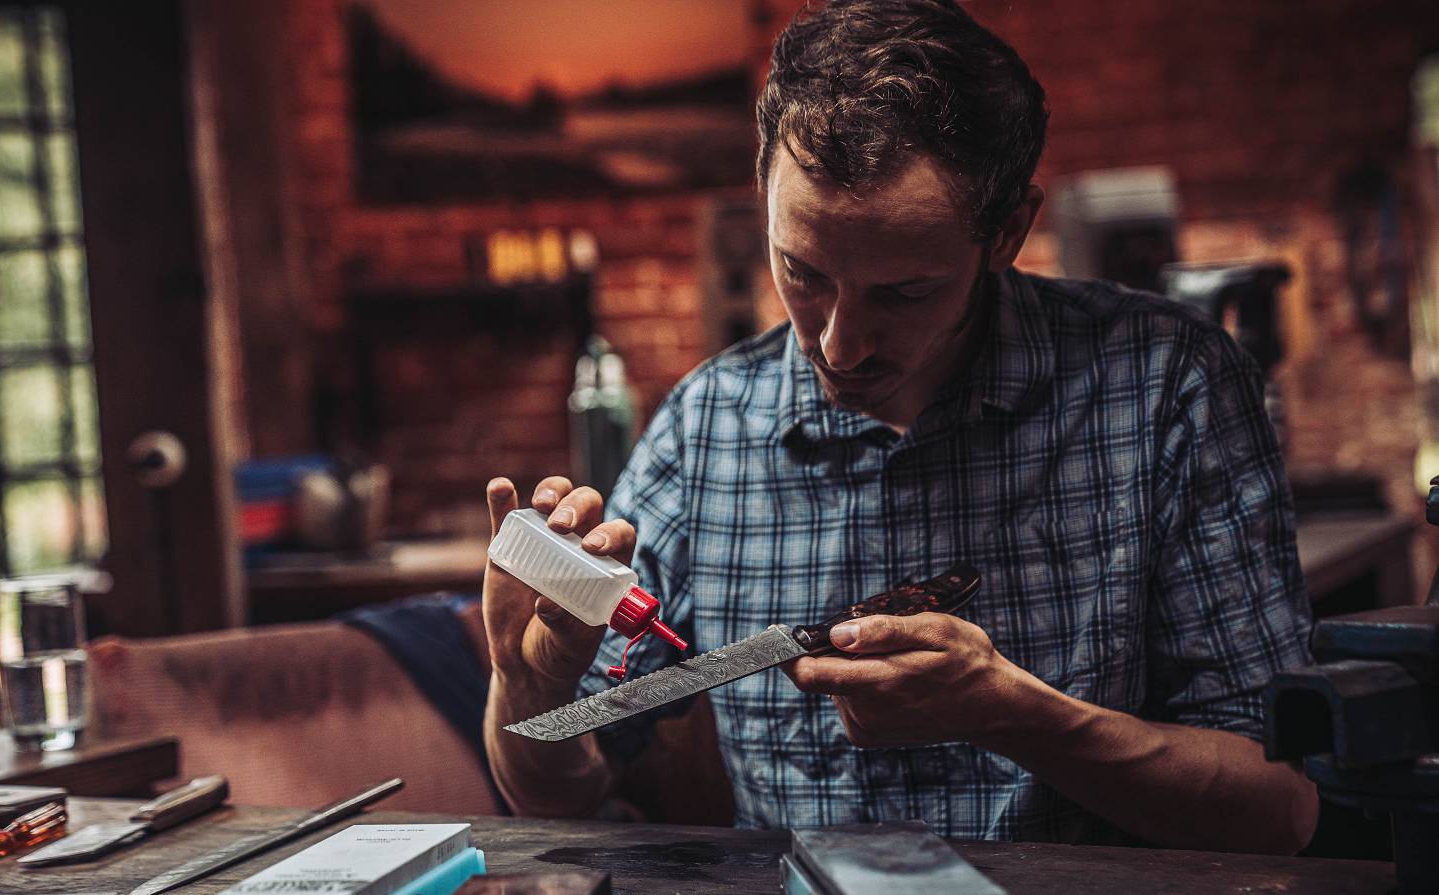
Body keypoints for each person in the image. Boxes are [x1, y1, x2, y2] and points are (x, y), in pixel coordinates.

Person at [482, 0, 1319, 852]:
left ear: (1007, 234)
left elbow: (1282, 807)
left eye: (904, 291)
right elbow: (564, 798)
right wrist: (524, 685)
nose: (839, 344)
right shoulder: (706, 430)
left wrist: (1022, 719)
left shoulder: (1166, 385)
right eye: (801, 271)